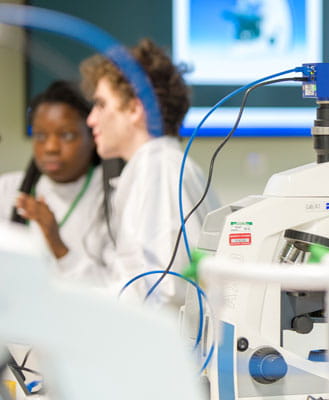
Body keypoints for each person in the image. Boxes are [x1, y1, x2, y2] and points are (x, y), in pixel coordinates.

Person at [78, 38, 219, 309]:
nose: (91, 119)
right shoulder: (157, 167)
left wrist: (74, 305)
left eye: (101, 104)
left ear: (134, 108)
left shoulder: (158, 169)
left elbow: (165, 291)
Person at [0, 80, 111, 274]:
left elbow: (116, 283)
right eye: (40, 136)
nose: (51, 148)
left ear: (93, 136)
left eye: (66, 135)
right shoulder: (8, 188)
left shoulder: (111, 194)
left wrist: (55, 241)